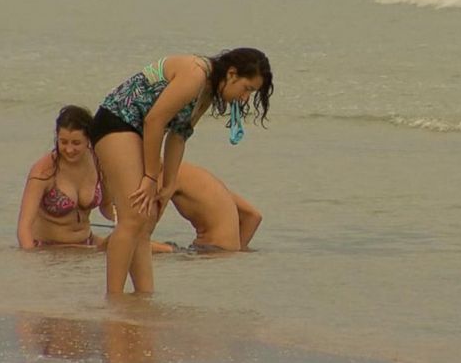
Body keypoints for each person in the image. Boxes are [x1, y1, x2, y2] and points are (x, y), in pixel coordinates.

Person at [90, 48, 273, 294]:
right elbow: (154, 120)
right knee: (132, 217)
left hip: (138, 131)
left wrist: (168, 184)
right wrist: (150, 177)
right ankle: (114, 298)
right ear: (231, 74)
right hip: (116, 121)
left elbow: (179, 135)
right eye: (247, 89)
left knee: (146, 219)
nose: (245, 99)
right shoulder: (195, 73)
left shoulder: (207, 91)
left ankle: (144, 296)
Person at [17, 105, 113, 249]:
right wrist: (30, 260)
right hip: (50, 249)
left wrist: (128, 222)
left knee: (140, 246)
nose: (69, 149)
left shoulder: (98, 162)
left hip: (87, 243)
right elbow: (24, 228)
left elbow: (106, 206)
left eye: (76, 143)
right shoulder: (44, 171)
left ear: (89, 139)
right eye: (63, 142)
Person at [150, 162, 262, 254]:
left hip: (211, 250)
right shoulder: (196, 174)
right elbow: (253, 217)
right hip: (222, 253)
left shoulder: (167, 176)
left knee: (138, 245)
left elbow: (142, 229)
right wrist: (235, 253)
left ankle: (170, 250)